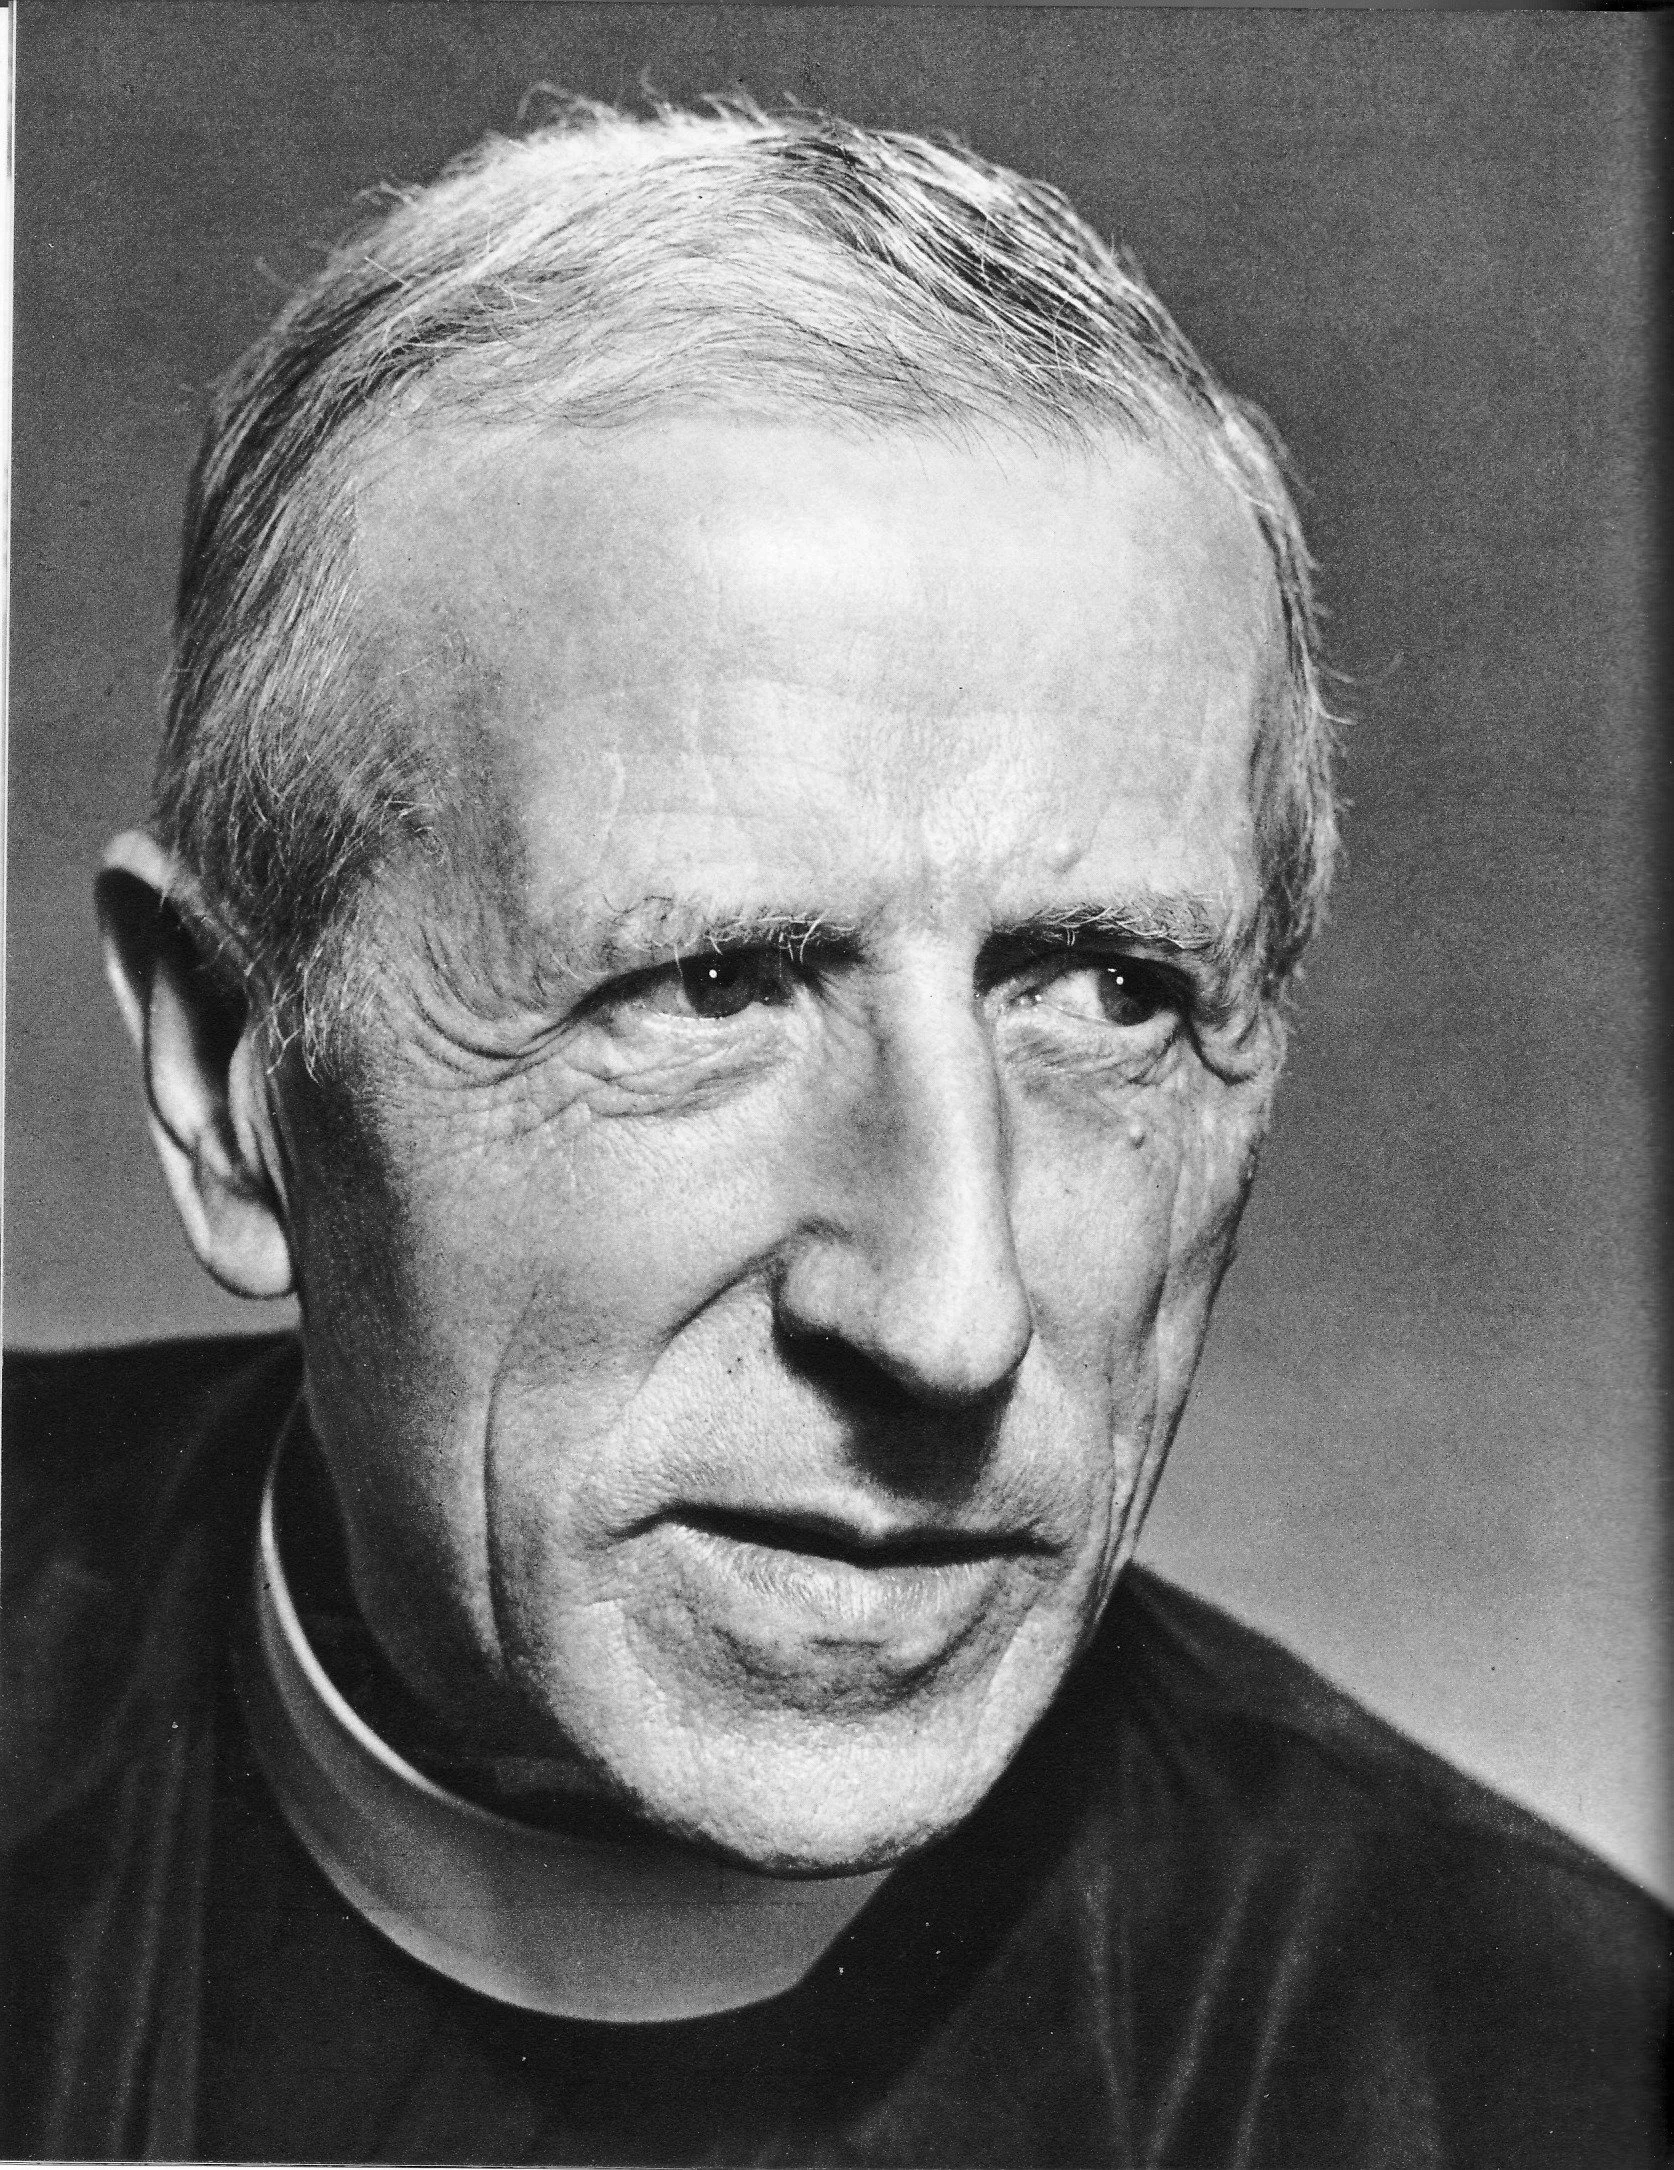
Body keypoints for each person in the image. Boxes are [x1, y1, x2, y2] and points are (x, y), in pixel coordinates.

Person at [1, 100, 1665, 2167]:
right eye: (709, 983)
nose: (952, 1315)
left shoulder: (1554, 2083)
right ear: (231, 1075)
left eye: (1108, 988)